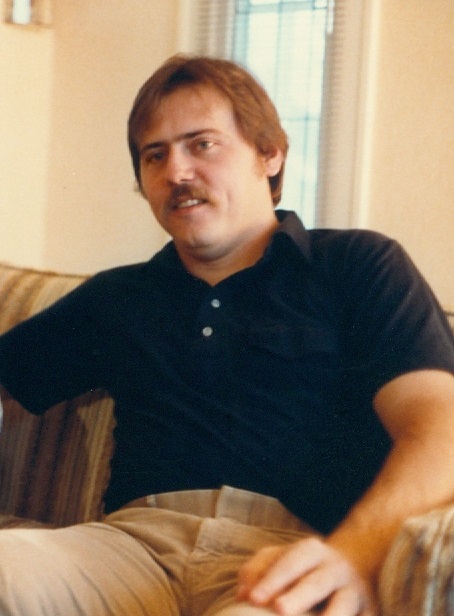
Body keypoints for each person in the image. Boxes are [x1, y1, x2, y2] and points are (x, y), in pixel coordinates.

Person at [0, 54, 453, 616]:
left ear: (270, 154)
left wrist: (352, 554)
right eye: (155, 155)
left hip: (286, 554)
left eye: (202, 144)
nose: (176, 172)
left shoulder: (357, 266)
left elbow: (441, 430)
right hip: (126, 550)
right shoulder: (119, 296)